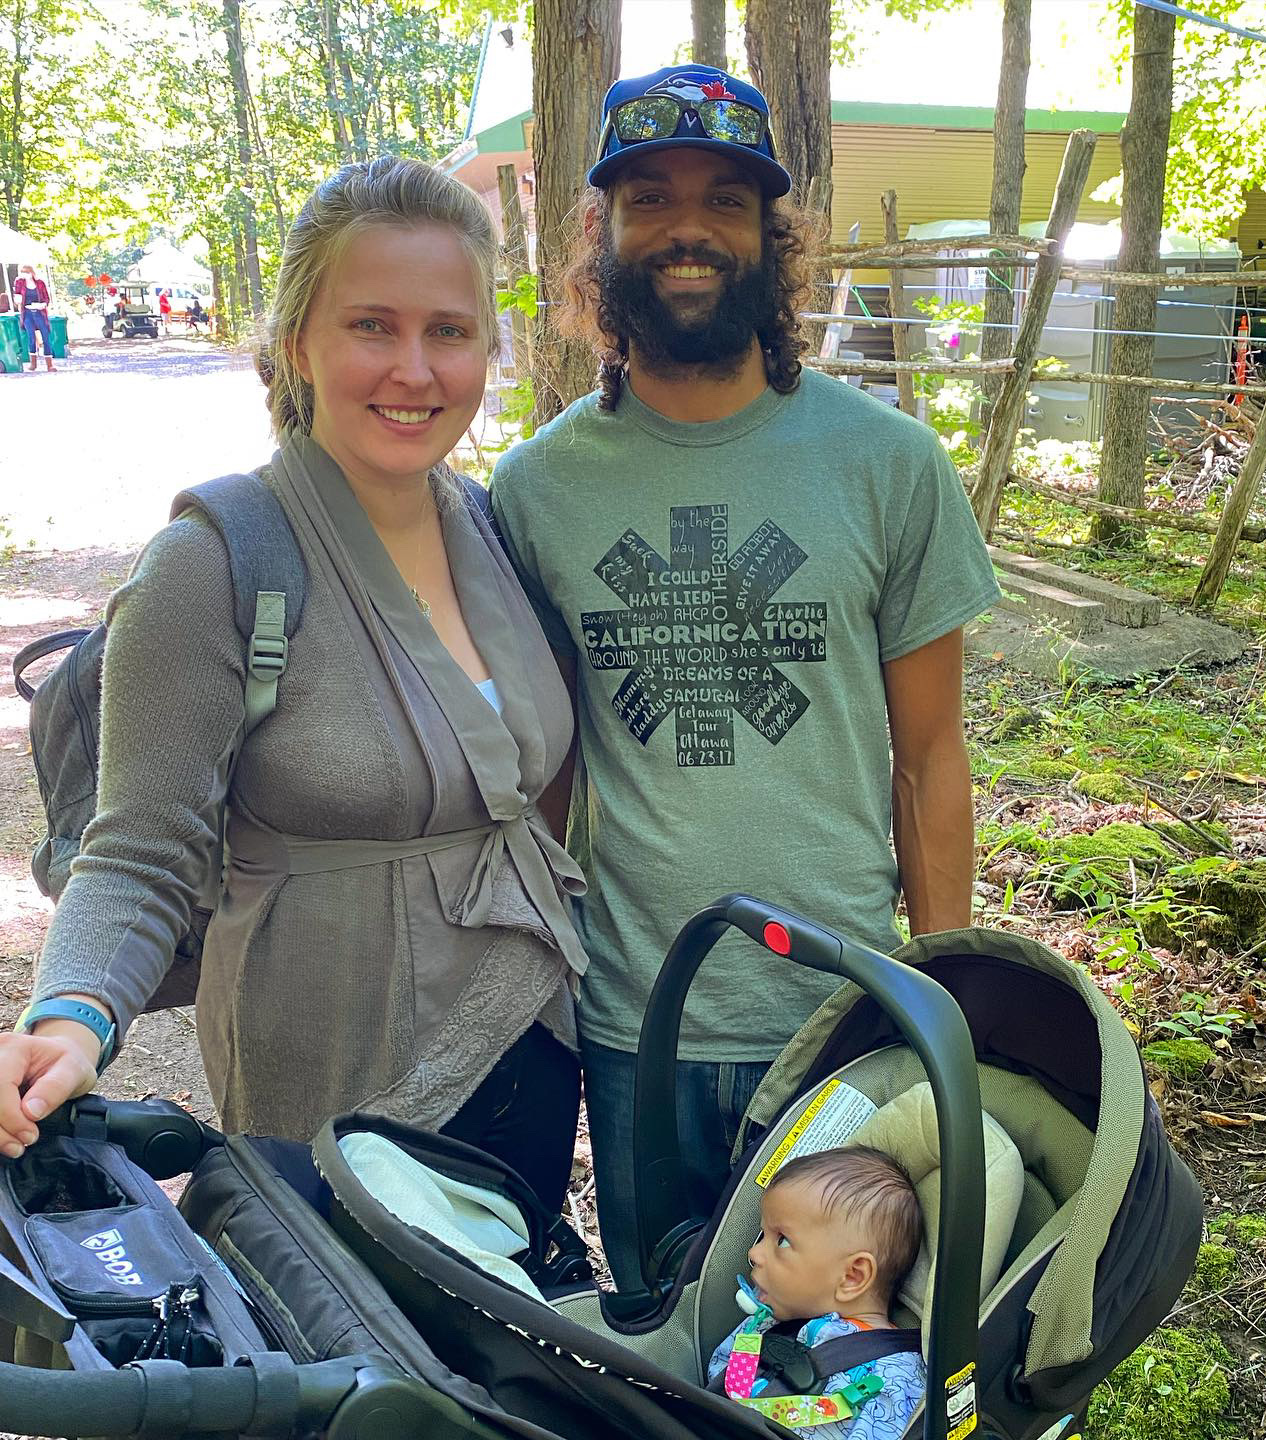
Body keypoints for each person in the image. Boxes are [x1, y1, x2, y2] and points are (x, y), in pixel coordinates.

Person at [488, 63, 1000, 1287]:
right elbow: (546, 771)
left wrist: (947, 1011)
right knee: (668, 1330)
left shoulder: (888, 464)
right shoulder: (538, 490)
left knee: (838, 1339)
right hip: (636, 1020)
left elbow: (930, 759)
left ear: (776, 236)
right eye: (650, 196)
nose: (688, 229)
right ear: (599, 234)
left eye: (726, 199)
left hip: (838, 1011)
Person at [0, 155, 589, 1212]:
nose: (413, 368)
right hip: (334, 1083)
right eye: (373, 325)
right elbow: (140, 844)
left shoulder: (493, 528)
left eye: (448, 331)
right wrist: (72, 1014)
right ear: (296, 343)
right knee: (357, 1366)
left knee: (508, 1362)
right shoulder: (218, 560)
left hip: (527, 1036)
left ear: (486, 351)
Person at [707, 1146, 925, 1440]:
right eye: (763, 1236)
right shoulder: (765, 1325)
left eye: (782, 1241)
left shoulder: (895, 1379)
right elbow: (718, 1384)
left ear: (852, 1276)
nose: (754, 1253)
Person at [12, 264, 55, 372]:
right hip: (27, 313)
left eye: (27, 272)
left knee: (46, 337)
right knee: (31, 337)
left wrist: (42, 305)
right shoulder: (19, 283)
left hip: (40, 313)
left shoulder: (40, 283)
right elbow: (17, 297)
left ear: (32, 273)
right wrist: (17, 300)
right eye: (23, 272)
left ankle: (49, 365)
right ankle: (33, 364)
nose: (24, 275)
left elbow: (46, 299)